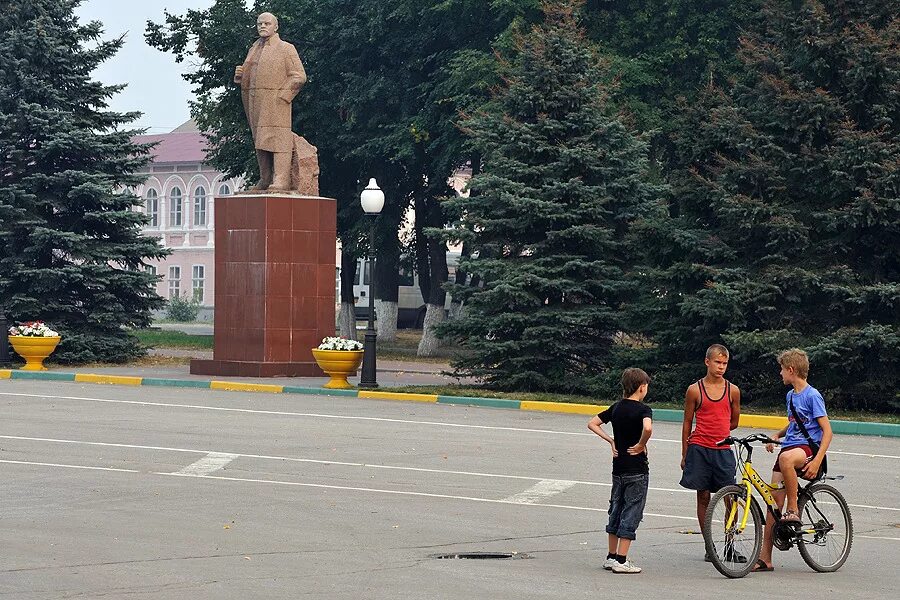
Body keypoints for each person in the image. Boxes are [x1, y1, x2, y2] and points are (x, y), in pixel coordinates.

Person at [754, 348, 833, 572]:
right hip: (790, 447)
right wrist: (778, 435)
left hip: (808, 449)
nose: (780, 374)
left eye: (781, 369)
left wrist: (817, 461)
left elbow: (827, 432)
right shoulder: (791, 396)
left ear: (791, 370)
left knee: (787, 459)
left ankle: (793, 508)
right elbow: (795, 422)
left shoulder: (812, 395)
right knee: (771, 502)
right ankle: (765, 558)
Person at [679, 344, 742, 561]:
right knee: (703, 496)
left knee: (730, 498)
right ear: (707, 362)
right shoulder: (694, 390)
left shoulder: (732, 390)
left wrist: (720, 431)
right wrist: (685, 453)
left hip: (723, 450)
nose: (721, 367)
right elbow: (687, 422)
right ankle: (709, 546)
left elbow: (733, 421)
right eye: (717, 362)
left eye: (725, 363)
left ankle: (730, 545)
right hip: (699, 449)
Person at [587, 368, 653, 574]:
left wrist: (610, 440)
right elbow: (648, 428)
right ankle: (622, 560)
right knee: (632, 511)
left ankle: (611, 556)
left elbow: (592, 423)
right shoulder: (643, 410)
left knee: (616, 508)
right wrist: (642, 443)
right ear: (642, 387)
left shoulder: (616, 408)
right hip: (637, 468)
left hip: (619, 468)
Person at [234, 13, 307, 190]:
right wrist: (240, 77)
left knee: (278, 140)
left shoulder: (286, 48)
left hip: (276, 102)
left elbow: (299, 76)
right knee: (259, 140)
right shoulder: (253, 48)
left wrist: (283, 96)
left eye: (267, 23)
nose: (262, 26)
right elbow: (250, 77)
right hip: (254, 101)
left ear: (276, 27)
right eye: (259, 23)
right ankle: (265, 178)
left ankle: (281, 179)